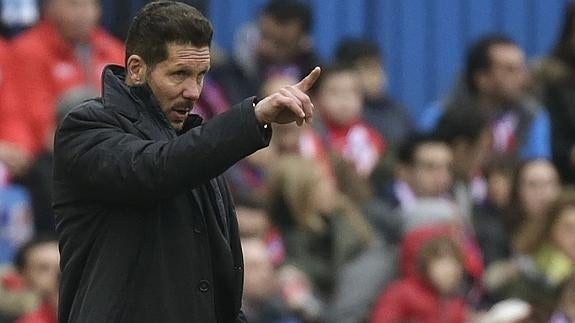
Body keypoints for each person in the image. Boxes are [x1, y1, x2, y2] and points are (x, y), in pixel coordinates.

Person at [52, 2, 321, 323]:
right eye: (179, 74)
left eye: (201, 75)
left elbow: (220, 287)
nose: (193, 91)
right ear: (137, 69)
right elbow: (155, 169)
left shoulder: (197, 149)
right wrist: (253, 117)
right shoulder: (86, 127)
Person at [8, 0, 124, 157]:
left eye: (91, 4)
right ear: (50, 7)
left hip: (112, 149)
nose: (84, 13)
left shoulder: (114, 50)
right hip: (55, 154)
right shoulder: (28, 51)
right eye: (73, 4)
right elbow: (38, 123)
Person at [418, 34, 551, 162]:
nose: (522, 78)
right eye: (510, 70)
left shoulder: (533, 116)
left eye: (522, 68)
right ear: (482, 78)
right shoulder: (439, 115)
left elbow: (539, 166)